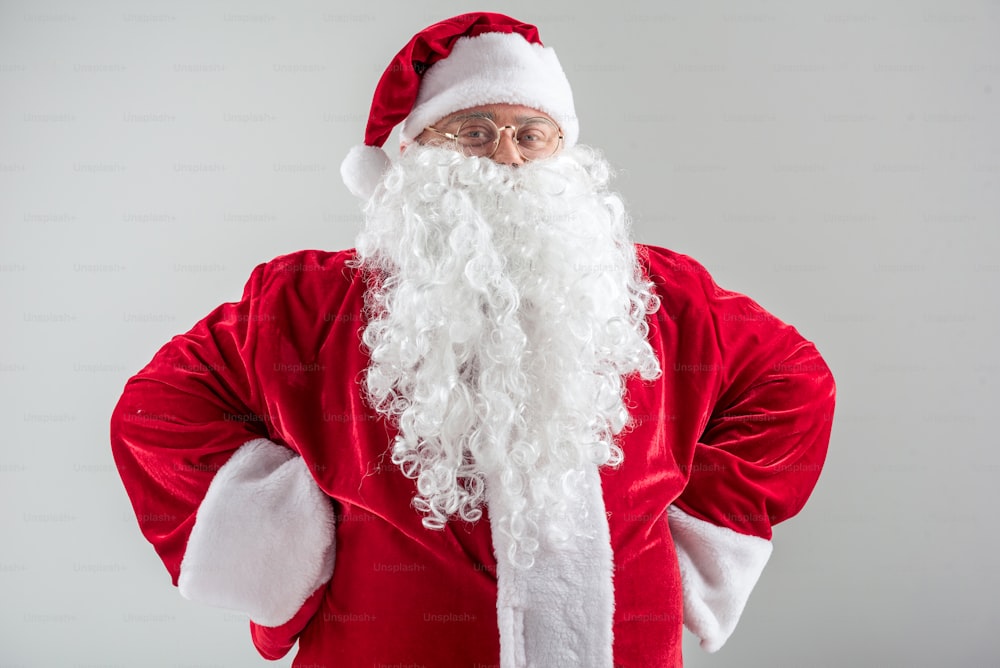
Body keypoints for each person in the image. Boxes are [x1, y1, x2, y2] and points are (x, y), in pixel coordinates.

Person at [110, 12, 836, 668]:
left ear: (562, 150)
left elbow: (794, 382)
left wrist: (689, 528)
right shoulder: (309, 306)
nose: (509, 158)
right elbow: (159, 411)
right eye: (475, 132)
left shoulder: (658, 297)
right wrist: (291, 542)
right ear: (414, 154)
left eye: (530, 134)